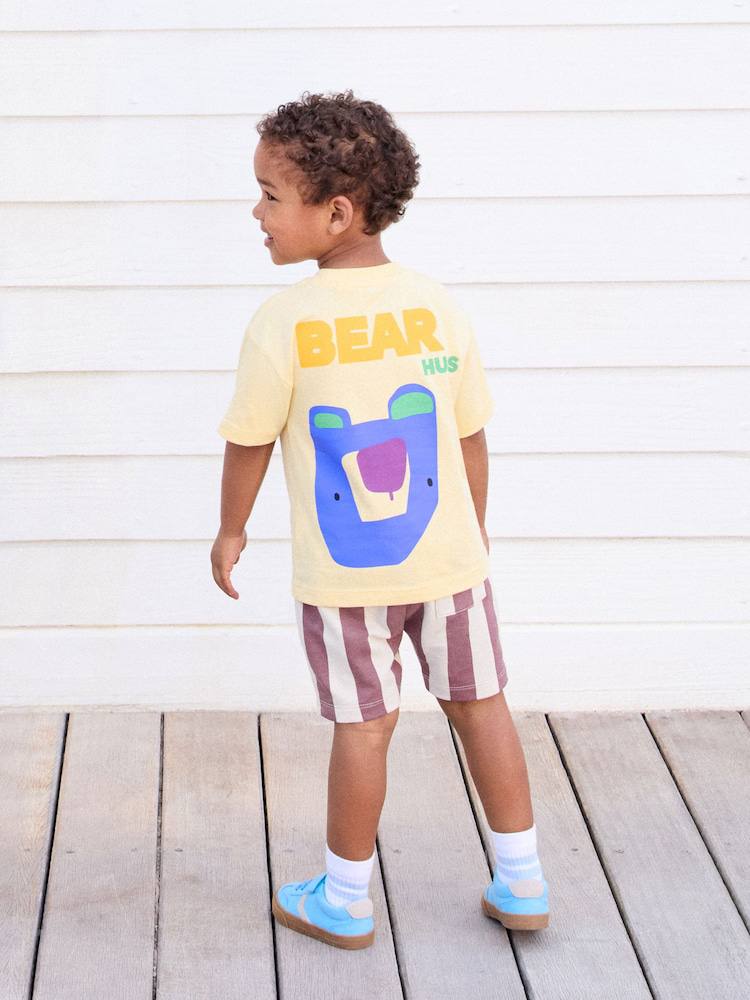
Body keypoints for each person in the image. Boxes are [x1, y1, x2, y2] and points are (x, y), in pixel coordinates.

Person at [211, 89, 549, 950]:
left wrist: (231, 531)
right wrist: (474, 532)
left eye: (269, 196)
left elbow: (249, 442)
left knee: (365, 727)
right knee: (483, 705)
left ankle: (344, 899)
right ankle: (523, 881)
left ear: (335, 213)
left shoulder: (283, 322)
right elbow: (468, 435)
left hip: (344, 579)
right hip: (451, 561)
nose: (256, 212)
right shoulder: (437, 305)